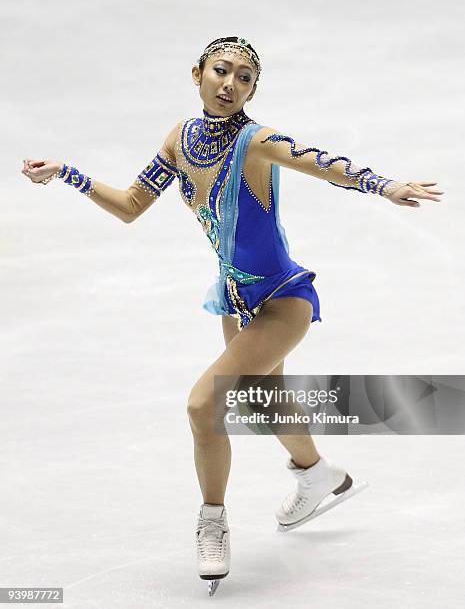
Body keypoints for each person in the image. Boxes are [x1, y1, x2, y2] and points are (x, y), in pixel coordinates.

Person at [21, 36, 444, 596]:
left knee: (204, 405)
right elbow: (129, 206)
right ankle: (320, 476)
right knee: (263, 399)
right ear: (197, 72)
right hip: (235, 297)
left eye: (245, 78)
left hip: (282, 298)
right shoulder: (182, 138)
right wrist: (66, 173)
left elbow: (321, 162)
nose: (231, 84)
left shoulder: (255, 141)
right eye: (221, 71)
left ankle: (212, 520)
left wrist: (386, 185)